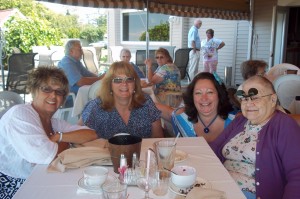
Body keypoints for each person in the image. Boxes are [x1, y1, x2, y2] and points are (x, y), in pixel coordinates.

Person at [0, 67, 97, 199]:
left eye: (59, 92)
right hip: (13, 184)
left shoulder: (54, 123)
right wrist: (67, 143)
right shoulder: (20, 114)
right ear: (34, 90)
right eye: (46, 89)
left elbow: (91, 134)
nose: (53, 95)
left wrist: (60, 137)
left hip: (39, 177)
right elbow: (45, 155)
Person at [210, 75, 300, 199]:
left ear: (273, 100)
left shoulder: (284, 125)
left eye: (255, 98)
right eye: (244, 99)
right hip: (219, 186)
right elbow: (214, 149)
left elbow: (297, 173)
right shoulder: (240, 121)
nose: (249, 104)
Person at [81, 61, 164, 139]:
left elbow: (157, 139)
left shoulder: (146, 103)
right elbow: (78, 135)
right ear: (110, 84)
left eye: (129, 79)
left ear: (135, 83)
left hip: (141, 153)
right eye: (117, 80)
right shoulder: (96, 107)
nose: (124, 84)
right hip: (106, 154)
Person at [171, 72, 234, 142]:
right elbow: (162, 111)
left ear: (219, 95)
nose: (204, 98)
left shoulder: (235, 122)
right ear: (192, 97)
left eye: (210, 92)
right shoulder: (180, 117)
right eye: (198, 93)